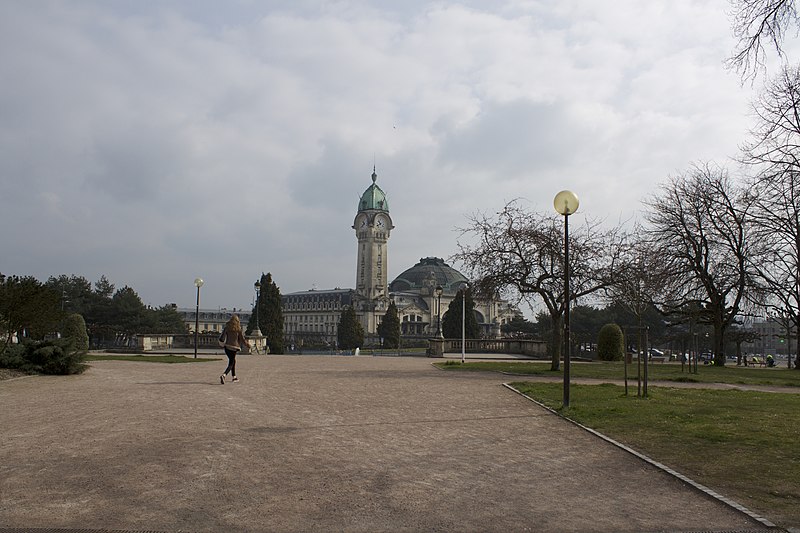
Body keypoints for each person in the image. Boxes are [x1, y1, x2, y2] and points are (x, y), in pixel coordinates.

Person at [219, 315, 250, 384]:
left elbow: (223, 337)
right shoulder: (238, 329)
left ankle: (234, 377)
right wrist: (247, 344)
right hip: (234, 347)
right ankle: (224, 375)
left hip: (227, 347)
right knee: (231, 363)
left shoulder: (227, 328)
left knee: (233, 361)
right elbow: (242, 339)